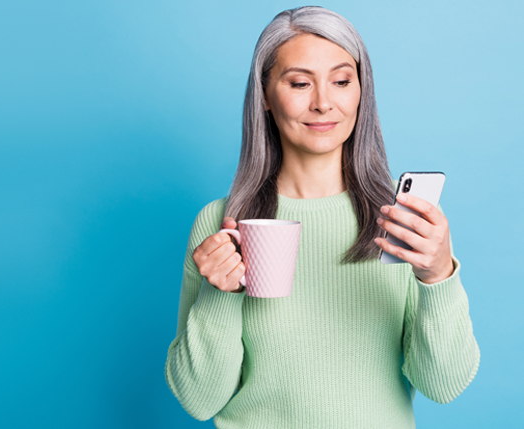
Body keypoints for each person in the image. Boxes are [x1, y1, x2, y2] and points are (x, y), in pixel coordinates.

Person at [164, 6, 480, 428]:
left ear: (361, 91)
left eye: (342, 81)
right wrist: (219, 293)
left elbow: (444, 386)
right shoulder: (222, 223)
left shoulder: (405, 223)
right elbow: (199, 399)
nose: (323, 103)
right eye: (299, 83)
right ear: (264, 96)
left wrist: (438, 277)